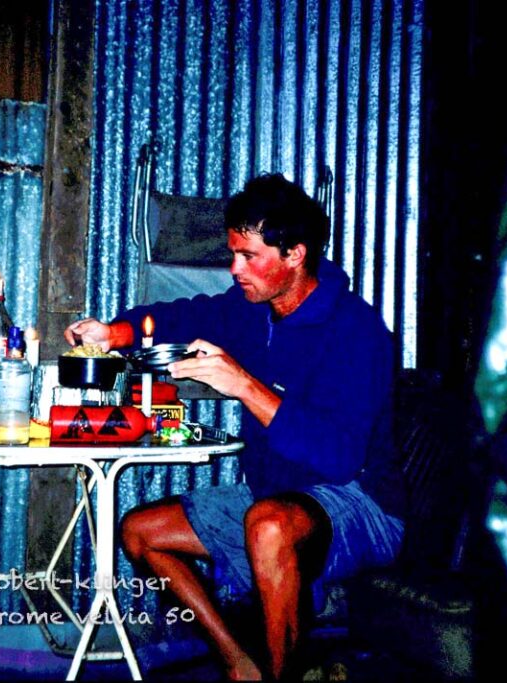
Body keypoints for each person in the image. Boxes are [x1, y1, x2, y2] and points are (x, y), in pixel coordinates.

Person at [64, 174, 406, 680]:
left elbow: (339, 458)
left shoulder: (358, 331)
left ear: (295, 254)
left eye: (249, 256)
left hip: (361, 502)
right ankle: (240, 665)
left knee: (268, 525)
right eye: (233, 254)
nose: (234, 269)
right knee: (140, 532)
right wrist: (112, 333)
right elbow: (182, 316)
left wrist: (244, 385)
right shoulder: (252, 311)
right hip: (276, 493)